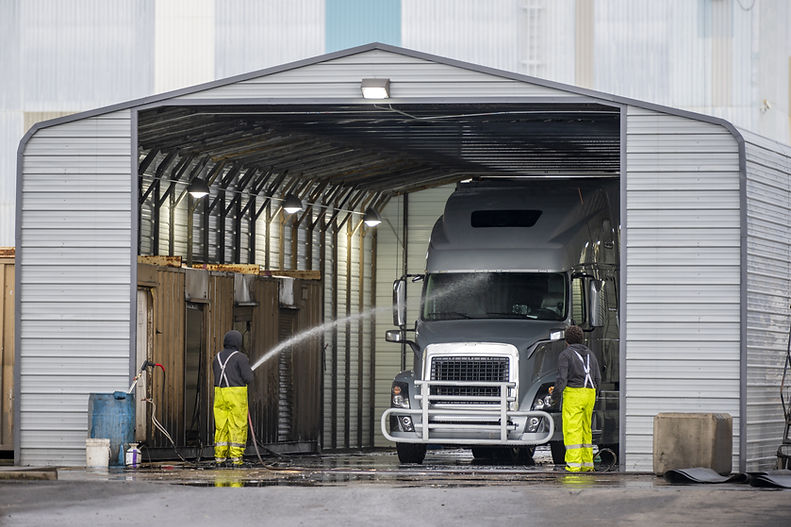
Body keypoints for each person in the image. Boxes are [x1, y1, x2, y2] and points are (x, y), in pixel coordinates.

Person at [552, 325, 601, 472]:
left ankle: (573, 466)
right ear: (582, 339)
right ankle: (587, 465)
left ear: (566, 340)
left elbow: (562, 380)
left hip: (574, 394)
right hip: (590, 394)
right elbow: (598, 378)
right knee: (586, 429)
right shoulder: (590, 354)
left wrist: (554, 396)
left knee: (573, 429)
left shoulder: (565, 355)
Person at [212, 329, 254, 466]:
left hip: (219, 394)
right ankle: (236, 458)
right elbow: (248, 378)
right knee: (237, 425)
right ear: (238, 342)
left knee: (221, 426)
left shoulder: (216, 358)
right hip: (236, 395)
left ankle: (219, 457)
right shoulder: (241, 357)